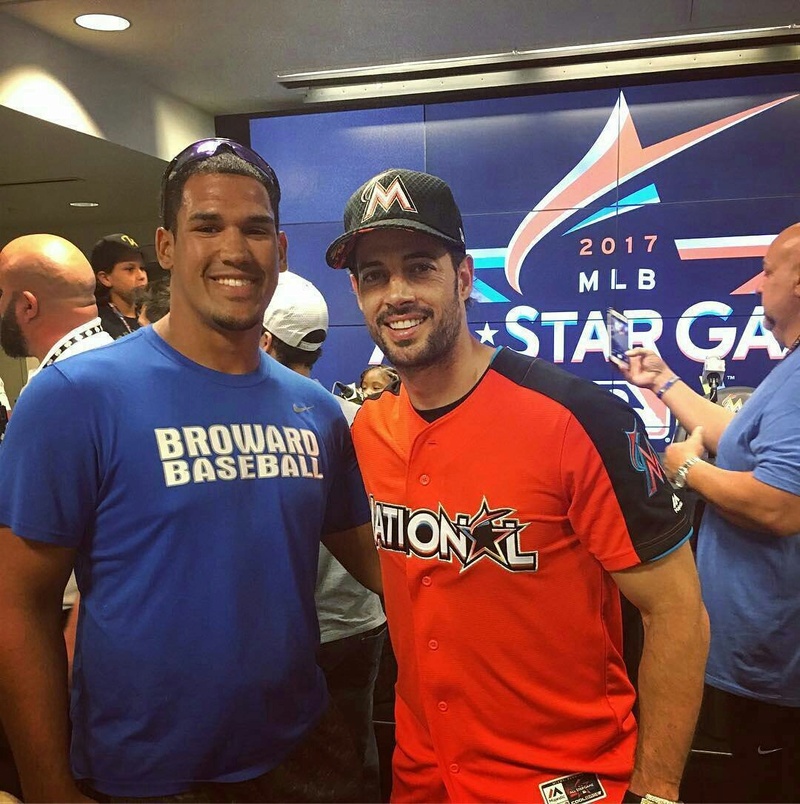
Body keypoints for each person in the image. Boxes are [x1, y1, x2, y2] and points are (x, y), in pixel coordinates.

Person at [0, 138, 380, 803]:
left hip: (304, 756)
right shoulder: (73, 397)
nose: (235, 249)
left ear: (280, 252)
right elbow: (18, 605)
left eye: (255, 229)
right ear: (166, 247)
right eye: (207, 225)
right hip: (144, 777)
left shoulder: (317, 412)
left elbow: (388, 565)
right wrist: (47, 787)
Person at [326, 168, 709, 804]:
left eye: (420, 267)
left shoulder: (577, 417)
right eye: (374, 275)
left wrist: (658, 791)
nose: (396, 293)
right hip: (423, 776)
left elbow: (676, 613)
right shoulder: (371, 427)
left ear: (465, 276)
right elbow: (406, 566)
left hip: (565, 781)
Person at [619, 222, 800, 803]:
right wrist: (663, 381)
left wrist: (685, 468)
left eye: (768, 271)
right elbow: (737, 436)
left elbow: (779, 507)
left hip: (765, 657)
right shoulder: (789, 372)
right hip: (752, 648)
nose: (757, 286)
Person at [261, 269, 387, 801]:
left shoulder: (270, 421)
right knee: (357, 752)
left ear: (265, 338)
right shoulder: (360, 416)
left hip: (307, 633)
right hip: (367, 619)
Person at [89, 233, 148, 338]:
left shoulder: (155, 315)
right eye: (130, 269)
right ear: (105, 278)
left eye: (142, 268)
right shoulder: (97, 324)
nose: (141, 276)